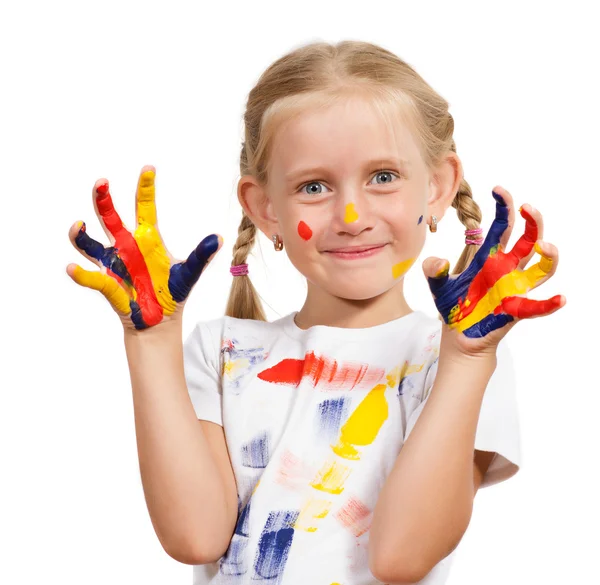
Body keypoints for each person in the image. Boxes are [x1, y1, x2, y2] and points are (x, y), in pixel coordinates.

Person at [66, 40, 565, 585]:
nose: (351, 216)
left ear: (438, 187)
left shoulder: (455, 358)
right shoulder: (223, 353)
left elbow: (401, 558)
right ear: (265, 209)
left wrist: (467, 362)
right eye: (314, 186)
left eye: (382, 177)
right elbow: (195, 536)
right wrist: (152, 342)